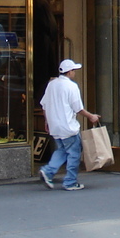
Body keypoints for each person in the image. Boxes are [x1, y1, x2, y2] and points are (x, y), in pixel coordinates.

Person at [38, 59, 99, 191]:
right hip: (68, 126)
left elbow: (44, 105)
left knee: (62, 150)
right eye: (74, 70)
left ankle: (48, 171)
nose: (75, 73)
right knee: (74, 154)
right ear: (70, 72)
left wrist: (47, 121)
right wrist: (91, 116)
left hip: (55, 126)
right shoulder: (72, 86)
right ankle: (70, 181)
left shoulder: (51, 84)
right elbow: (78, 108)